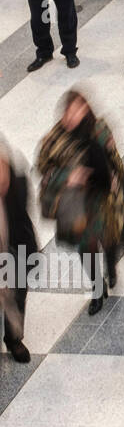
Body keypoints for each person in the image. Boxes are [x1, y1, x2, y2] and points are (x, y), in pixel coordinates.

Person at [36, 90, 124, 316]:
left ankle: (112, 268)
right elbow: (42, 169)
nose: (74, 115)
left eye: (79, 109)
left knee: (110, 238)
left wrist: (118, 179)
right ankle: (97, 288)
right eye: (70, 111)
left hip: (105, 198)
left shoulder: (99, 128)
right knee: (87, 248)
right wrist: (68, 176)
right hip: (77, 203)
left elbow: (113, 157)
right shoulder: (54, 139)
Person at [0, 143, 35, 362]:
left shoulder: (18, 183)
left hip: (17, 249)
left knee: (18, 294)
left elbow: (22, 222)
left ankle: (13, 339)